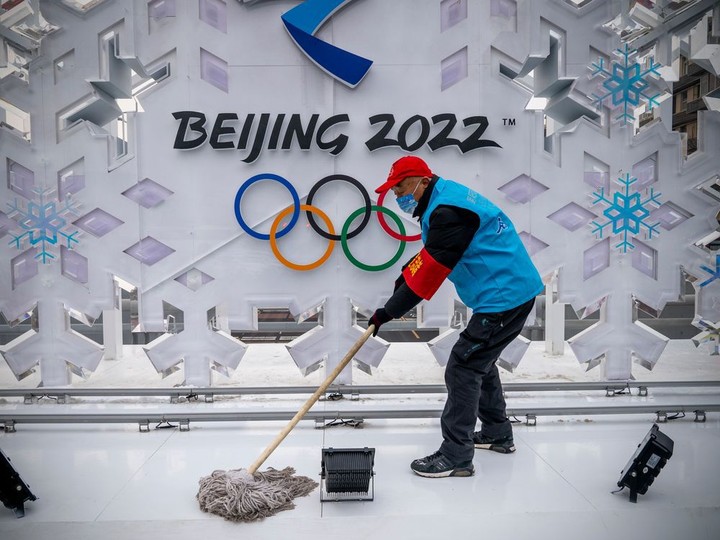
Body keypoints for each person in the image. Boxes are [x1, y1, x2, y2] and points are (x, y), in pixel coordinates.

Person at [368, 156, 543, 478]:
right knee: (479, 361)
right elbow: (428, 256)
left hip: (504, 297)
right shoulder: (443, 197)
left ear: (422, 180)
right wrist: (402, 280)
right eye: (393, 190)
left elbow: (431, 272)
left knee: (463, 366)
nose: (397, 195)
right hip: (508, 290)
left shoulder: (449, 211)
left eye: (401, 187)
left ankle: (456, 456)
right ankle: (497, 433)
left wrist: (386, 313)